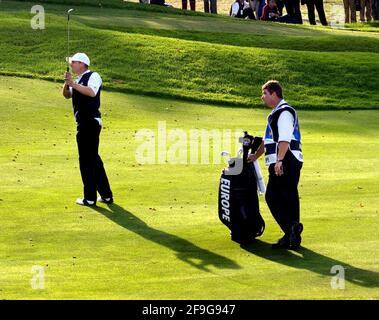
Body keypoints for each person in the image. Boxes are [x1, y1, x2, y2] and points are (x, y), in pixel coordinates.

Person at [248, 80, 304, 250]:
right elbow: (268, 140)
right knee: (288, 198)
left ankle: (291, 229)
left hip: (285, 159)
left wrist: (279, 161)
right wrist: (255, 156)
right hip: (286, 159)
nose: (262, 97)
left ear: (274, 93)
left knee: (272, 196)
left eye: (264, 93)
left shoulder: (284, 112)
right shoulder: (276, 113)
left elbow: (285, 139)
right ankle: (292, 236)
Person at [63, 53, 113, 206]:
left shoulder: (93, 75)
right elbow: (66, 95)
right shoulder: (76, 80)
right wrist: (67, 83)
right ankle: (106, 196)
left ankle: (90, 198)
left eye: (74, 62)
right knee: (94, 160)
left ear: (83, 64)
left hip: (90, 123)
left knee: (86, 161)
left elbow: (92, 92)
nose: (71, 65)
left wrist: (73, 84)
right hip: (83, 124)